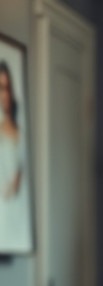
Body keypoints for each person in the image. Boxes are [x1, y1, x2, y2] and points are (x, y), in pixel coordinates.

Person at [0, 60, 25, 250]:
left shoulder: (20, 128)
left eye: (7, 88)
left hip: (18, 217)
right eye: (1, 89)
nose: (5, 95)